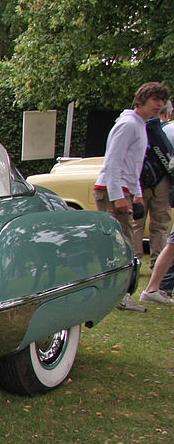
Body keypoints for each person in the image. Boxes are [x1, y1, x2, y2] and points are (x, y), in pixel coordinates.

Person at [94, 82, 171, 311]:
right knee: (120, 244)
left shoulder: (140, 125)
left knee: (123, 243)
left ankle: (119, 294)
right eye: (154, 99)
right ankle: (118, 296)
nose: (159, 105)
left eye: (162, 100)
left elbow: (133, 166)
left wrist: (137, 195)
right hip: (111, 190)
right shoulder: (128, 124)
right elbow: (113, 162)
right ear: (142, 99)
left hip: (123, 190)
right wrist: (118, 195)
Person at [132, 108, 174, 268]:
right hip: (162, 183)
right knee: (160, 224)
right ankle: (158, 262)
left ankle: (134, 260)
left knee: (136, 223)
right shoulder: (170, 130)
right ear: (168, 113)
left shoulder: (138, 127)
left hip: (139, 181)